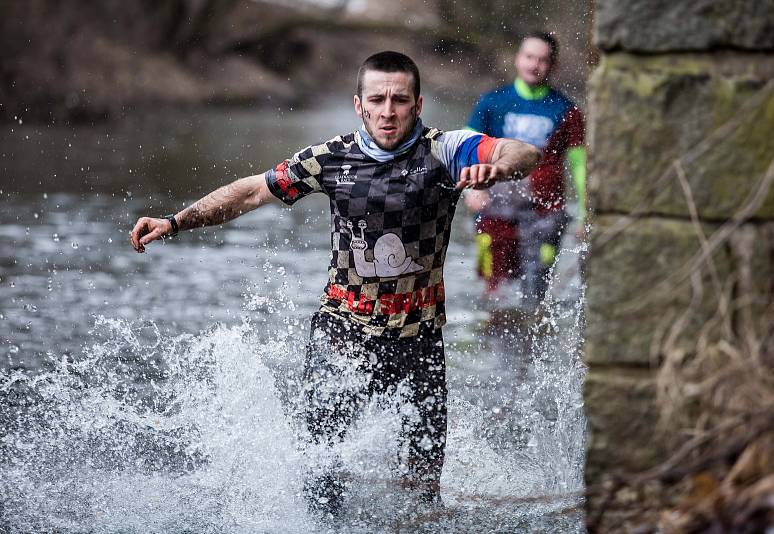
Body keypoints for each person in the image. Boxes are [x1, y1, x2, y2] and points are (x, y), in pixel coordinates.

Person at [130, 51, 539, 516]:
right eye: (378, 99)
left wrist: (499, 167)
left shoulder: (445, 149)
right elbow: (251, 191)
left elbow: (521, 152)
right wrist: (176, 221)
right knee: (322, 485)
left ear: (418, 104)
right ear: (359, 104)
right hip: (341, 339)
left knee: (424, 496)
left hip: (418, 342)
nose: (388, 111)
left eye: (399, 100)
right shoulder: (330, 158)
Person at [464, 32, 586, 309]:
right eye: (530, 57)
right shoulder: (492, 102)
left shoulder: (567, 111)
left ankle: (530, 345)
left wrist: (585, 213)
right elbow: (466, 145)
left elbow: (580, 165)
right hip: (496, 208)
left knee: (534, 291)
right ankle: (492, 344)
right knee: (496, 290)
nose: (535, 64)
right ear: (518, 59)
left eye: (543, 59)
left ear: (552, 65)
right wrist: (474, 187)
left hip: (545, 212)